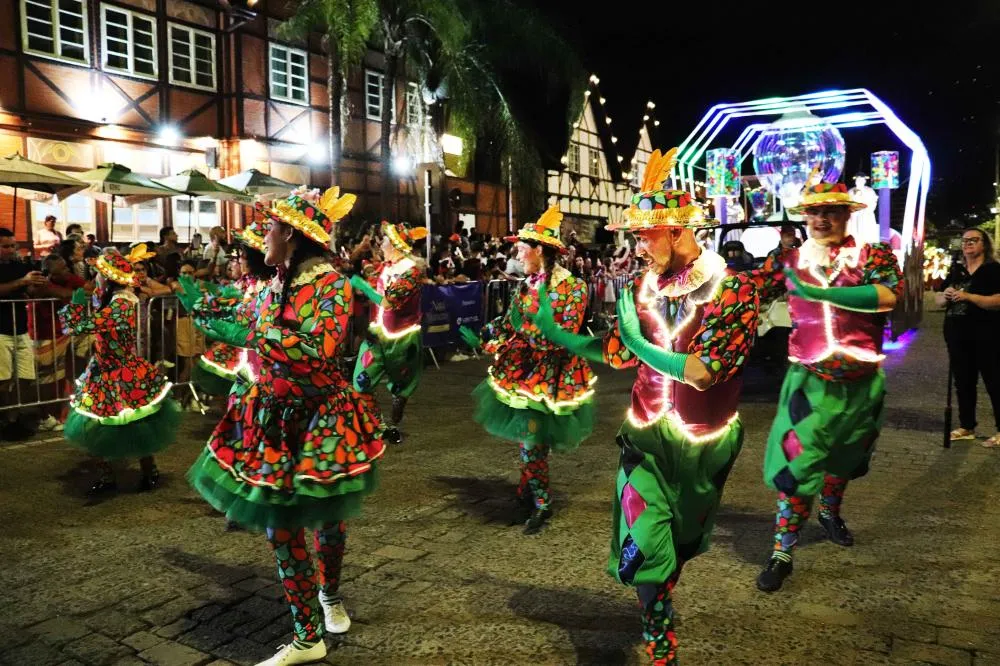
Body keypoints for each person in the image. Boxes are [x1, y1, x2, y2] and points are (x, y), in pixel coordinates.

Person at [527, 149, 759, 664]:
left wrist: (640, 341)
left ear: (676, 230)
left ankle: (660, 608)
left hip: (705, 444)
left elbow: (704, 371)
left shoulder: (734, 288)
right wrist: (564, 335)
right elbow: (617, 352)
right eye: (633, 235)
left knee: (678, 548)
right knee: (646, 548)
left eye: (643, 234)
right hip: (645, 441)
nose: (635, 244)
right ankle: (661, 648)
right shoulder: (640, 285)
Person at [186, 186, 384, 666]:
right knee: (279, 523)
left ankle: (330, 596)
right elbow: (252, 319)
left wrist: (252, 332)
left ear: (291, 234)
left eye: (270, 228)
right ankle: (306, 635)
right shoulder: (278, 280)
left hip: (320, 420)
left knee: (327, 522)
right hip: (271, 415)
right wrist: (214, 312)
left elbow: (317, 349)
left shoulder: (331, 284)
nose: (263, 237)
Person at [748, 179, 903, 593]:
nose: (820, 218)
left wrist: (819, 292)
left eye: (830, 210)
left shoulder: (875, 253)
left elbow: (888, 296)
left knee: (846, 458)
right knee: (796, 467)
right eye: (813, 212)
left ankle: (830, 510)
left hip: (862, 382)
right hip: (808, 383)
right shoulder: (788, 259)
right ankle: (782, 549)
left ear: (847, 214)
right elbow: (743, 292)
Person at [460, 205, 596, 535]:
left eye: (522, 248)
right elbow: (509, 322)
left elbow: (560, 336)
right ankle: (531, 489)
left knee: (533, 438)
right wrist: (485, 335)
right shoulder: (526, 285)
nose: (517, 254)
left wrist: (522, 333)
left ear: (540, 251)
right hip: (524, 373)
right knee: (530, 438)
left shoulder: (573, 288)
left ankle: (540, 501)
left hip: (554, 374)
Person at [59, 245, 181, 495]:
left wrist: (75, 308)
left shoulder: (122, 305)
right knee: (96, 426)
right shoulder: (111, 300)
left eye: (100, 274)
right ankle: (107, 475)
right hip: (103, 370)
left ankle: (149, 471)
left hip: (122, 372)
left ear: (110, 278)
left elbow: (79, 327)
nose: (96, 279)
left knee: (136, 425)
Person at [351, 222, 428, 445]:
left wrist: (363, 288)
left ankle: (394, 424)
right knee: (361, 381)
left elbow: (389, 301)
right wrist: (360, 251)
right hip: (377, 335)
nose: (381, 243)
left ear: (395, 245)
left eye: (384, 240)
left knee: (401, 387)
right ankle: (378, 425)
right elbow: (360, 269)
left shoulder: (411, 272)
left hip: (403, 339)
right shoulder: (384, 266)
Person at [936, 227, 1000, 447]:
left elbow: (998, 301)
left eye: (974, 240)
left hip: (987, 334)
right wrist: (944, 296)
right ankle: (967, 426)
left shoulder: (993, 270)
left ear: (984, 244)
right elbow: (938, 299)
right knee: (963, 382)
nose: (968, 244)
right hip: (956, 334)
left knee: (994, 381)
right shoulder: (957, 271)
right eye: (964, 241)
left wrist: (968, 296)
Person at [28, 253, 91, 431]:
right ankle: (45, 415)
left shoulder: (69, 277)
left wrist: (74, 291)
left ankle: (63, 412)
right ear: (49, 272)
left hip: (66, 331)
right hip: (45, 333)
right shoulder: (41, 282)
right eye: (61, 269)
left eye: (65, 266)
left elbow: (91, 289)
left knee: (68, 372)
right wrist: (76, 294)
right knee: (47, 378)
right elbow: (59, 293)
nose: (66, 270)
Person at [0, 228, 47, 439]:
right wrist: (23, 282)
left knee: (26, 375)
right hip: (0, 330)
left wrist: (37, 285)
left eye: (13, 246)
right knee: (2, 378)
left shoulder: (20, 266)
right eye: (5, 246)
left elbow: (31, 292)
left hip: (20, 328)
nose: (11, 250)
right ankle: (4, 419)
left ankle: (14, 417)